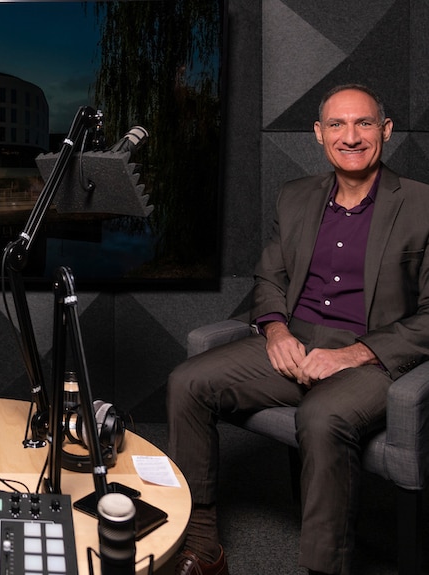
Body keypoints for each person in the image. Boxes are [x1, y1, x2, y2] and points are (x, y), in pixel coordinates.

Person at [167, 83, 429, 575]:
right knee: (188, 382)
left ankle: (324, 569)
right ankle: (202, 547)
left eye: (364, 123)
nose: (350, 136)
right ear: (318, 134)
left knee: (322, 417)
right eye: (336, 124)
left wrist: (355, 354)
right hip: (294, 341)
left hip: (373, 356)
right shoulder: (295, 197)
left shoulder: (422, 205)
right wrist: (274, 332)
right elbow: (269, 277)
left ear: (386, 131)